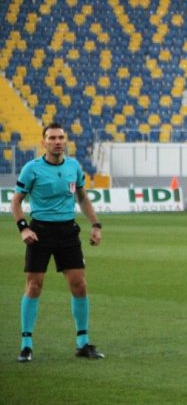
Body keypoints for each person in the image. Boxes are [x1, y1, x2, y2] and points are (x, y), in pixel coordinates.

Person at [11, 122, 105, 362]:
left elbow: (82, 198)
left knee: (80, 285)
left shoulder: (74, 167)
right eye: (52, 138)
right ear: (44, 142)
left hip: (67, 233)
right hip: (40, 231)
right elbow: (16, 202)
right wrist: (23, 229)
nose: (57, 141)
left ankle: (82, 343)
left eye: (61, 137)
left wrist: (95, 225)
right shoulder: (31, 169)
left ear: (66, 141)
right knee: (34, 286)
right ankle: (26, 344)